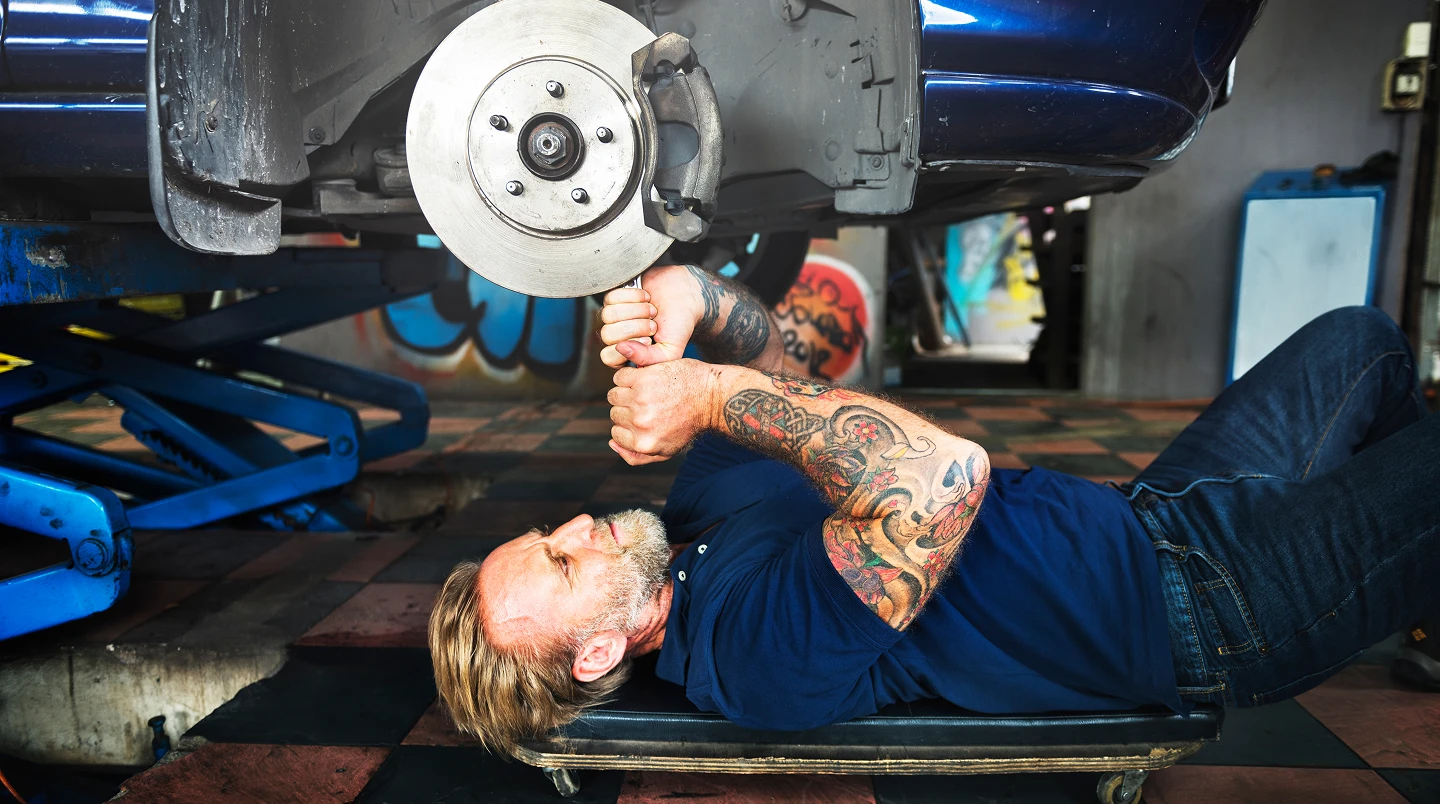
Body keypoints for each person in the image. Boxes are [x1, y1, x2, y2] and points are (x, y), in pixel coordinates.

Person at [428, 263, 1439, 757]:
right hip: (1217, 606)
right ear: (599, 654)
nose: (576, 527)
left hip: (1159, 511)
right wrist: (707, 396)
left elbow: (778, 357)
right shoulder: (746, 653)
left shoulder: (696, 513)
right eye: (563, 564)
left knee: (1364, 341)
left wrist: (696, 300)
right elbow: (946, 478)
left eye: (544, 535)